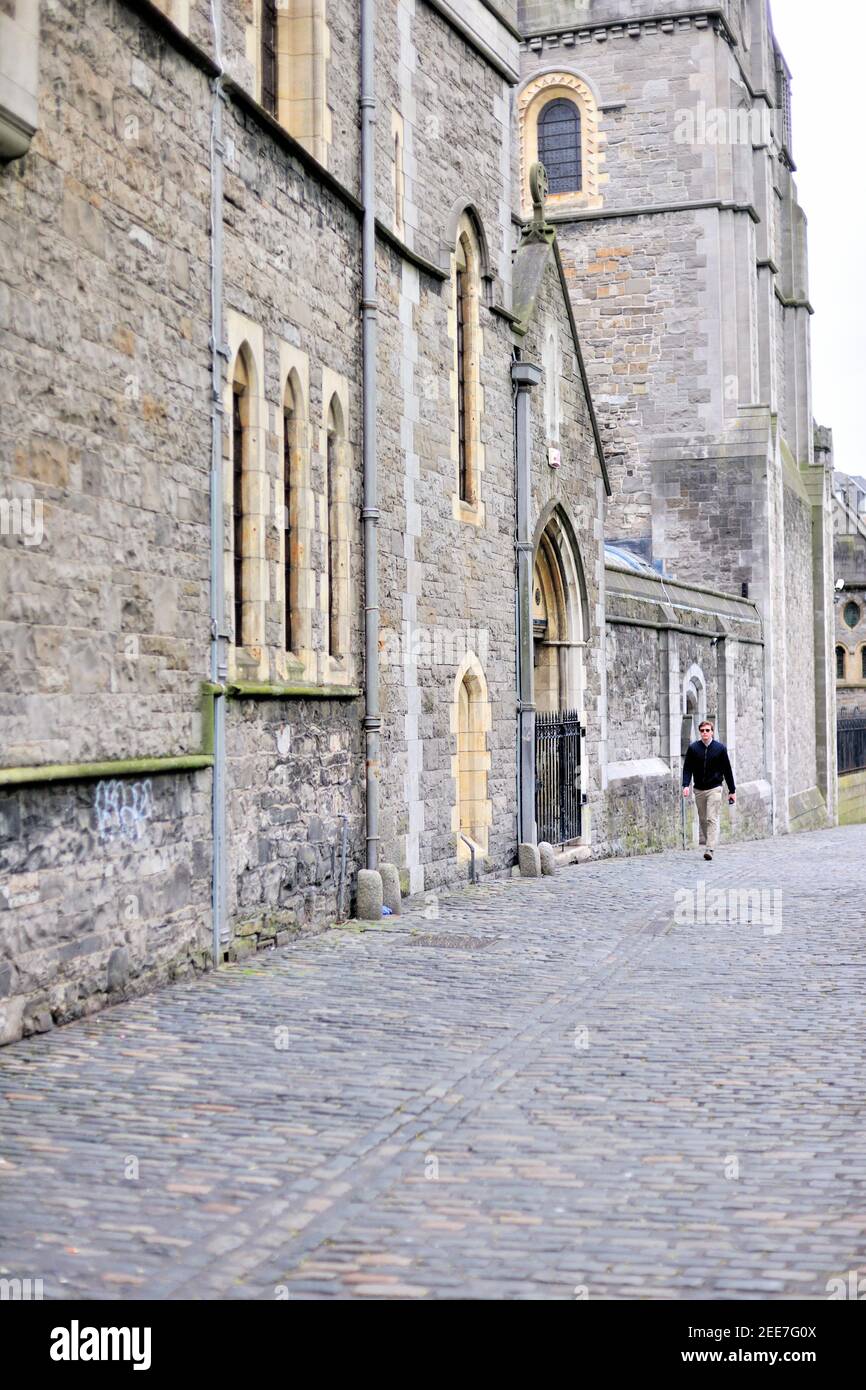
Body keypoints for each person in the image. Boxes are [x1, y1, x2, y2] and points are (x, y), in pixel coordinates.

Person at [682, 718, 736, 861]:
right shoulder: (694, 748)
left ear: (712, 732)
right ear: (700, 733)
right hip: (699, 790)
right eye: (702, 731)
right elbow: (687, 768)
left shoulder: (720, 749)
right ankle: (709, 843)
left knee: (711, 817)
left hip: (715, 788)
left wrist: (732, 791)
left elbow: (727, 770)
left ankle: (709, 848)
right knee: (703, 819)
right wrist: (685, 785)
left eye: (707, 730)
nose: (705, 733)